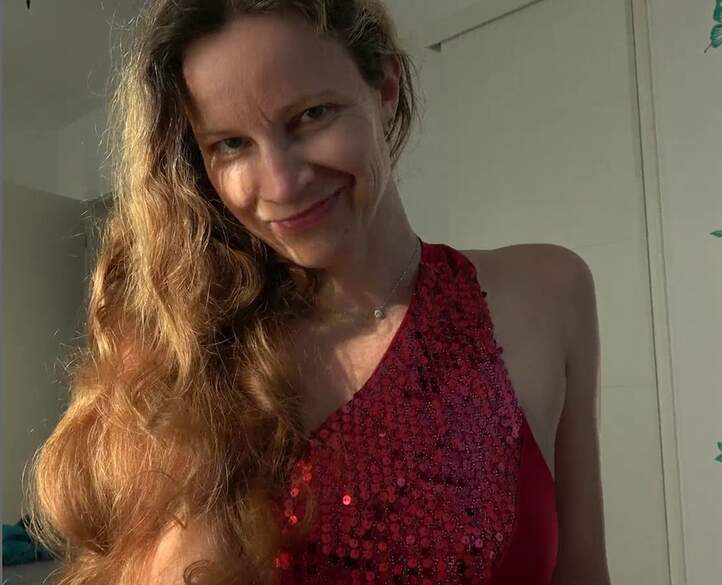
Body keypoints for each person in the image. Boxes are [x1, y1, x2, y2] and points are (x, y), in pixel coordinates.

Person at [28, 1, 609, 584]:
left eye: (311, 115)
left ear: (385, 86)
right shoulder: (185, 363)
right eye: (231, 144)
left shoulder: (548, 293)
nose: (281, 185)